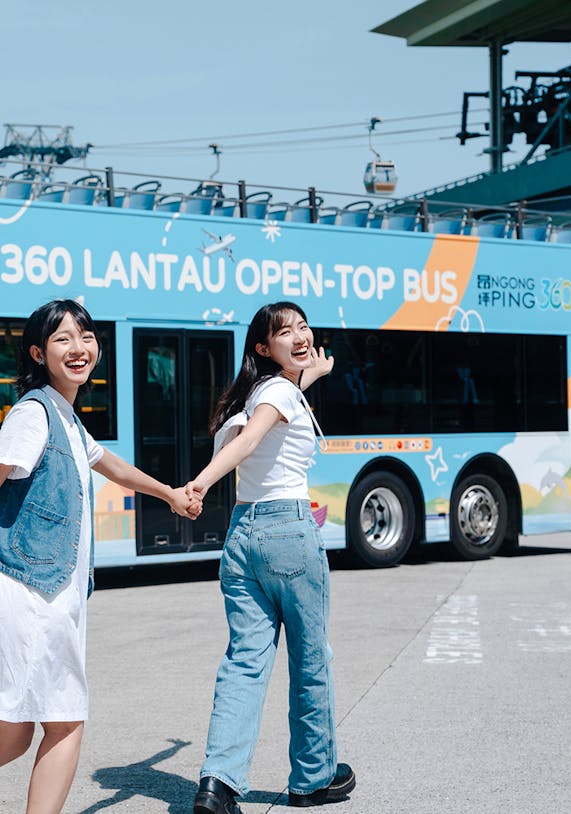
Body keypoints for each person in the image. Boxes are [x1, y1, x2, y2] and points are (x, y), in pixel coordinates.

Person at [0, 299, 200, 814]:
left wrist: (169, 493)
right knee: (65, 721)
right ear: (37, 352)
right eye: (63, 339)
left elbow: (109, 464)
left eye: (86, 336)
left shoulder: (66, 418)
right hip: (27, 592)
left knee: (8, 737)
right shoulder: (34, 413)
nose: (79, 348)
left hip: (31, 589)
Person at [185, 301, 355, 812]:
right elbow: (256, 437)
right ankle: (312, 777)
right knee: (310, 659)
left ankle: (218, 784)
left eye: (304, 327)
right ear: (263, 347)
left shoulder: (253, 395)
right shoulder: (277, 395)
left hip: (242, 536)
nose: (301, 337)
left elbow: (268, 414)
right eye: (286, 333)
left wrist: (317, 369)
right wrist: (200, 482)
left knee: (244, 662)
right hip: (287, 532)